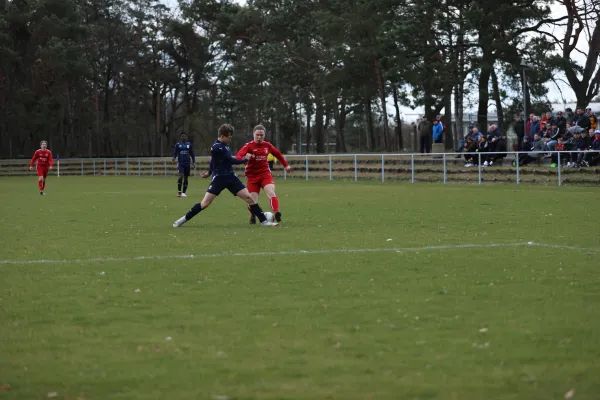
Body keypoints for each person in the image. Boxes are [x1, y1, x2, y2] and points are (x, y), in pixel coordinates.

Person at [172, 124, 278, 228]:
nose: (230, 140)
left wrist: (208, 173)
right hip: (219, 178)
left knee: (249, 198)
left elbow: (213, 162)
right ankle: (182, 220)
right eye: (229, 138)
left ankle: (264, 222)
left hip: (231, 177)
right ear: (222, 136)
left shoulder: (225, 145)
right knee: (204, 203)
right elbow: (230, 160)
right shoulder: (216, 147)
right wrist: (245, 159)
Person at [236, 125, 291, 224]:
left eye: (261, 135)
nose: (259, 137)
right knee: (252, 201)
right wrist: (245, 158)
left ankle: (276, 212)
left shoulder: (267, 145)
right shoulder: (248, 146)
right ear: (253, 134)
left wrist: (286, 165)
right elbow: (238, 157)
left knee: (271, 192)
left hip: (265, 174)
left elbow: (278, 154)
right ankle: (253, 215)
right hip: (252, 176)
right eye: (257, 135)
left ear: (264, 135)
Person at [172, 132, 196, 197]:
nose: (183, 137)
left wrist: (193, 162)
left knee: (186, 178)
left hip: (187, 164)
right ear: (180, 137)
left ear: (186, 137)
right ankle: (179, 193)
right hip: (181, 164)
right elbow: (175, 152)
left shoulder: (189, 144)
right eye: (182, 136)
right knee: (181, 176)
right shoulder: (177, 145)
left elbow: (192, 154)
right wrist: (173, 158)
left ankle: (184, 193)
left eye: (185, 136)